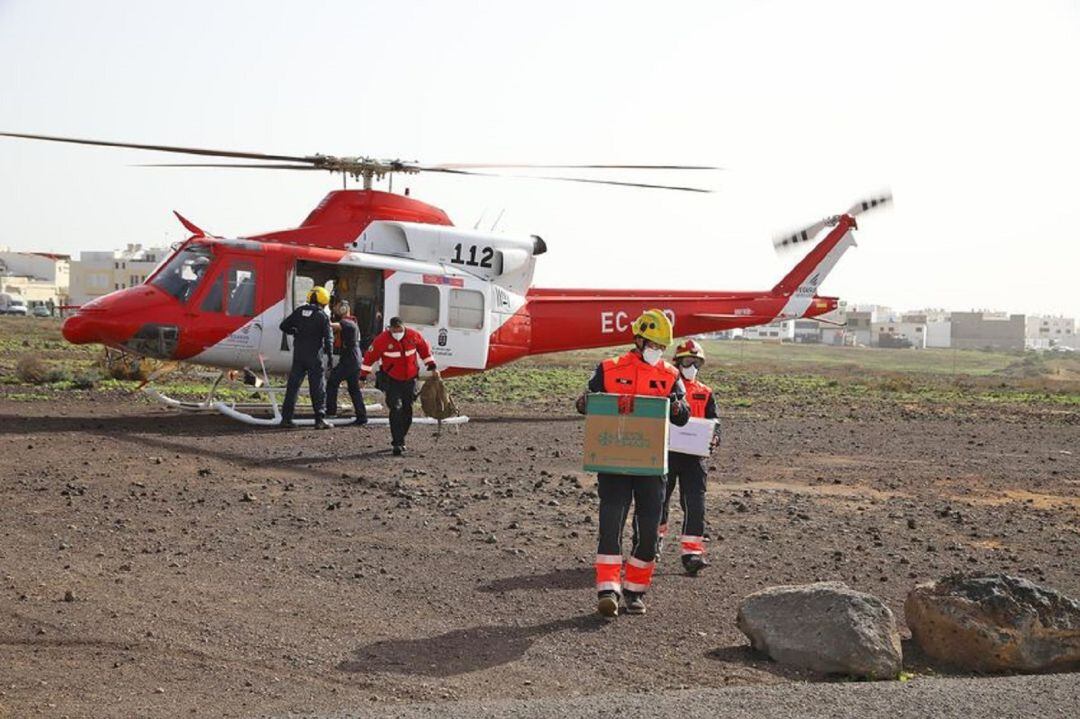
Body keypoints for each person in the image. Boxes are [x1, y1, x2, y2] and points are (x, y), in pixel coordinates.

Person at [575, 309, 690, 618]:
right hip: (613, 462)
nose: (657, 351)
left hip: (651, 466)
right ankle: (608, 589)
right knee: (611, 524)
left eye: (661, 347)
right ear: (638, 340)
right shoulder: (608, 368)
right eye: (653, 344)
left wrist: (679, 407)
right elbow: (586, 401)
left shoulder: (670, 375)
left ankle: (635, 591)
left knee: (650, 530)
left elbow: (683, 416)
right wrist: (585, 402)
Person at [661, 339, 720, 576]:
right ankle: (652, 544)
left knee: (695, 505)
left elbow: (715, 421)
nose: (692, 366)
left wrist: (715, 437)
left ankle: (692, 554)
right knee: (659, 501)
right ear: (677, 362)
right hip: (667, 454)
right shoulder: (667, 388)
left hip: (695, 459)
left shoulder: (706, 392)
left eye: (696, 362)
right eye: (687, 361)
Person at [360, 316, 437, 455]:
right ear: (390, 328)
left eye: (399, 329)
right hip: (391, 380)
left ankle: (401, 438)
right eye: (394, 330)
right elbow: (369, 358)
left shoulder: (414, 336)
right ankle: (397, 443)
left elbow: (424, 350)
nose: (397, 332)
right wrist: (362, 377)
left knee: (407, 409)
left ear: (403, 327)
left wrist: (432, 367)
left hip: (410, 379)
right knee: (395, 408)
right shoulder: (381, 340)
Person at [278, 286, 334, 430]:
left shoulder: (299, 312)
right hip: (315, 357)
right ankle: (319, 419)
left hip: (299, 356)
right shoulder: (322, 316)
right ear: (324, 300)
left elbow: (283, 326)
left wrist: (294, 331)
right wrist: (330, 358)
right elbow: (329, 339)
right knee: (317, 388)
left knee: (293, 387)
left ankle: (286, 418)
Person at [326, 300, 368, 425]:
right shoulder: (352, 322)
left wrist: (322, 317)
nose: (336, 309)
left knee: (332, 381)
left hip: (349, 359)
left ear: (344, 309)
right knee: (354, 389)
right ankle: (362, 416)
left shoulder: (346, 322)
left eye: (338, 307)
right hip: (353, 358)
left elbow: (332, 326)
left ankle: (331, 411)